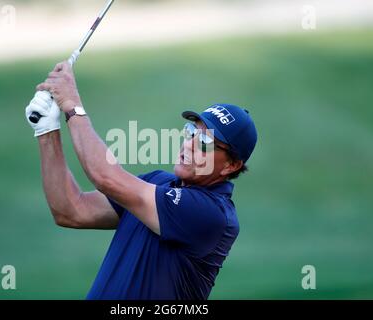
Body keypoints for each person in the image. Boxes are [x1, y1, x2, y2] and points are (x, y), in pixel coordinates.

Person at [25, 61, 258, 300]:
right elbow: (71, 210)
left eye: (205, 143)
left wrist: (73, 107)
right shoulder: (157, 182)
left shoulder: (212, 215)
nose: (189, 144)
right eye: (191, 131)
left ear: (231, 165)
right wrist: (47, 131)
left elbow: (106, 177)